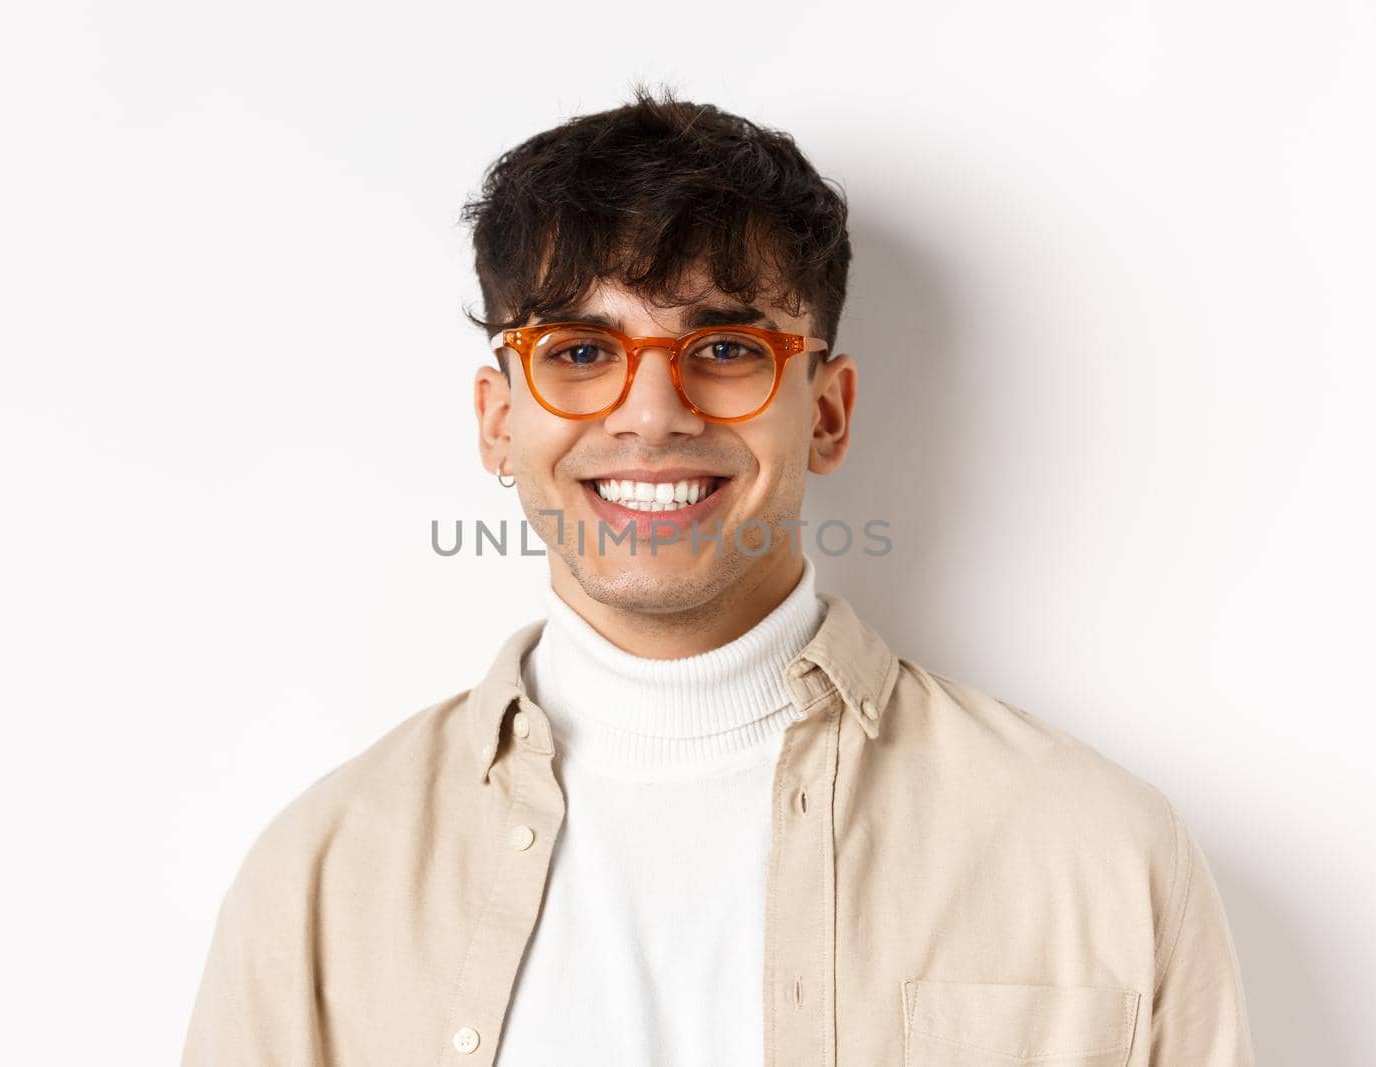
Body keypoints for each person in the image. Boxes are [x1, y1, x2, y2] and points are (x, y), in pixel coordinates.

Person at [181, 86, 1254, 1066]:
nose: (651, 413)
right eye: (582, 351)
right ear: (500, 422)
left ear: (825, 413)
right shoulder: (319, 880)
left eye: (728, 348)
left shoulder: (1099, 855)